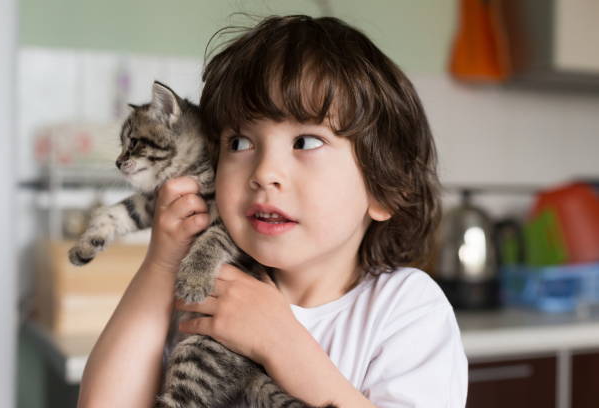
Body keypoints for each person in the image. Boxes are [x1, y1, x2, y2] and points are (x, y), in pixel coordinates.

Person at [78, 15, 468, 408]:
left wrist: (282, 344)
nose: (264, 173)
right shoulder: (205, 288)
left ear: (383, 190)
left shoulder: (407, 308)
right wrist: (162, 264)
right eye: (241, 143)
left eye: (306, 142)